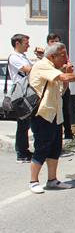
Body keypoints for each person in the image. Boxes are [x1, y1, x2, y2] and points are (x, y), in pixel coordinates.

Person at [28, 43, 75, 194]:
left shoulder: (54, 70)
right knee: (41, 148)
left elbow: (61, 91)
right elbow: (64, 77)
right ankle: (33, 181)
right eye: (62, 55)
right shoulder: (42, 65)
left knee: (55, 148)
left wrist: (66, 77)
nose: (66, 58)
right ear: (52, 56)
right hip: (42, 115)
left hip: (55, 116)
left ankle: (52, 180)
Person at [8, 34, 33, 163]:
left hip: (27, 92)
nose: (28, 45)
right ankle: (21, 153)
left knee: (26, 124)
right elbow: (28, 70)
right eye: (26, 43)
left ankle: (25, 150)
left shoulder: (23, 57)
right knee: (23, 124)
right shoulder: (14, 57)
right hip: (20, 94)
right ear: (17, 43)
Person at [47, 34, 75, 141]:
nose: (55, 44)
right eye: (52, 41)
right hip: (52, 88)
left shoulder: (62, 55)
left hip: (63, 87)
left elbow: (68, 67)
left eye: (57, 41)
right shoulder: (46, 56)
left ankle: (68, 133)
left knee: (65, 110)